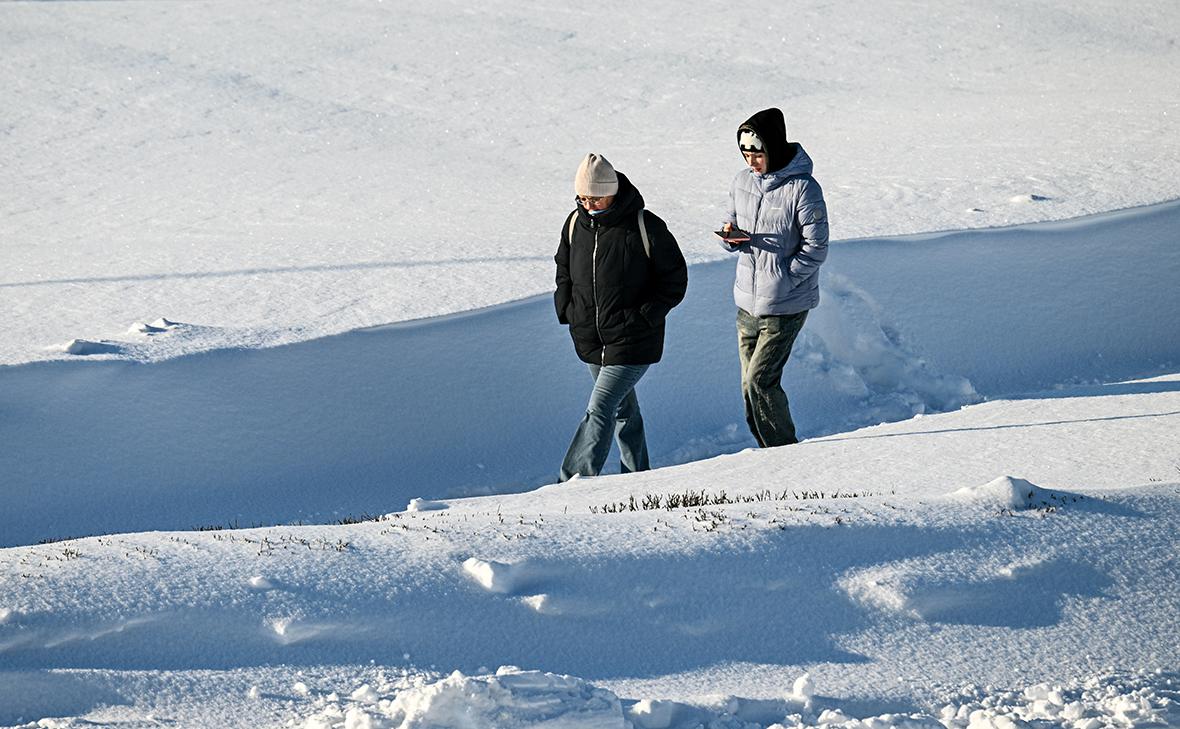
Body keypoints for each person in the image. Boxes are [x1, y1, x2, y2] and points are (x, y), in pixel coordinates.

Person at [554, 153, 687, 481]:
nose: (589, 205)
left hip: (633, 340)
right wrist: (569, 311)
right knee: (624, 411)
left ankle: (572, 483)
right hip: (591, 338)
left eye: (596, 198)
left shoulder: (644, 225)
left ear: (613, 190)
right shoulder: (575, 224)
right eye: (583, 198)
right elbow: (564, 269)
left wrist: (643, 317)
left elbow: (674, 279)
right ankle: (638, 478)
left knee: (599, 409)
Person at [720, 108, 829, 447]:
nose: (751, 160)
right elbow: (731, 222)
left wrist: (787, 278)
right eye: (746, 153)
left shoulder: (803, 189)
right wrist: (730, 237)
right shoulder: (741, 182)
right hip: (747, 304)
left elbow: (817, 246)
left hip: (785, 305)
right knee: (747, 386)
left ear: (775, 148)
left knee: (760, 381)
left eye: (758, 152)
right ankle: (767, 450)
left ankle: (783, 453)